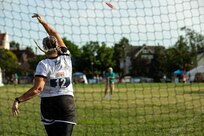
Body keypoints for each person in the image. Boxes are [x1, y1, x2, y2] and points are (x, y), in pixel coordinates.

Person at [12, 13, 76, 136]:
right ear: (57, 45)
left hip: (49, 105)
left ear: (44, 48)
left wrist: (18, 100)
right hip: (66, 103)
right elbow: (55, 34)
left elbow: (37, 89)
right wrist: (43, 23)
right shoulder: (66, 57)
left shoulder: (43, 64)